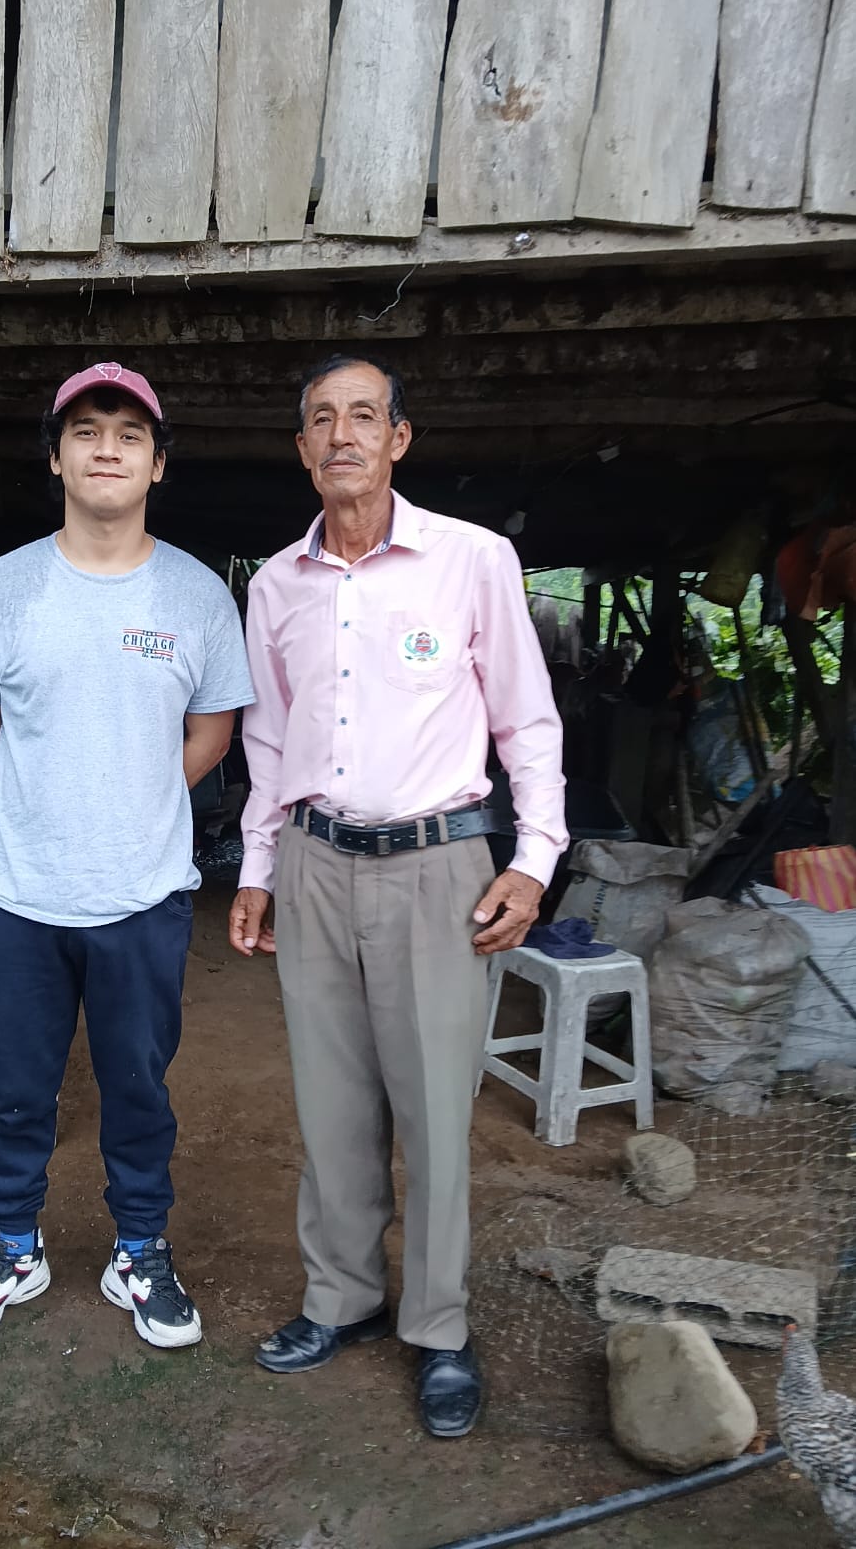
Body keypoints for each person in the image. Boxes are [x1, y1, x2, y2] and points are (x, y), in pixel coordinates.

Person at [229, 354, 566, 1437]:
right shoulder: (276, 585)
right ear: (301, 449)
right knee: (332, 1103)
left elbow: (526, 720)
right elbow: (266, 738)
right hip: (315, 860)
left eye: (364, 416)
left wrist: (534, 856)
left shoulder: (471, 559)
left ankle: (438, 1326)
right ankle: (343, 1298)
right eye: (323, 419)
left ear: (398, 439)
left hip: (438, 865)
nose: (343, 435)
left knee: (432, 1109)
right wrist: (257, 866)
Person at [0, 362, 254, 1353]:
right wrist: (49, 806)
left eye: (127, 433)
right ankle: (13, 1246)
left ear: (157, 463)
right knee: (14, 1091)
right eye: (85, 431)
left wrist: (128, 803)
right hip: (18, 898)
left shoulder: (197, 596)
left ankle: (139, 1250)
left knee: (139, 1091)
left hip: (142, 896)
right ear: (56, 457)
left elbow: (212, 734)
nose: (105, 448)